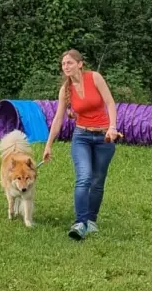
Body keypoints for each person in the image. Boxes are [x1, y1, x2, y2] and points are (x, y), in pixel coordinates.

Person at [42, 49, 120, 239]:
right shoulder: (65, 90)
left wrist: (112, 127)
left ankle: (91, 221)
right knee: (84, 177)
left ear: (79, 64)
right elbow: (59, 117)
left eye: (69, 63)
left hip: (104, 137)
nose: (65, 67)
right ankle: (80, 223)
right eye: (63, 64)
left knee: (97, 181)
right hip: (81, 137)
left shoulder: (95, 78)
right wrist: (48, 144)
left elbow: (110, 103)